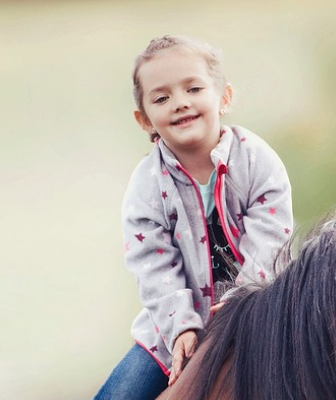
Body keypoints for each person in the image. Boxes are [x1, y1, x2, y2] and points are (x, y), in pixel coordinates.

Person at [93, 35, 294, 400]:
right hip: (172, 333)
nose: (180, 103)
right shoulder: (147, 185)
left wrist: (243, 300)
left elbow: (270, 237)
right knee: (118, 395)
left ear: (225, 97)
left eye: (194, 88)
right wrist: (180, 326)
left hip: (261, 316)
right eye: (161, 98)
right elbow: (152, 264)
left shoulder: (256, 161)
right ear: (144, 119)